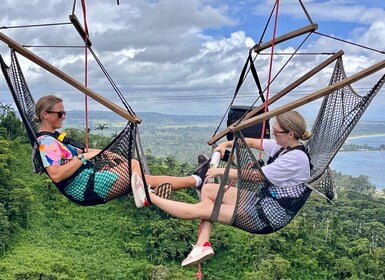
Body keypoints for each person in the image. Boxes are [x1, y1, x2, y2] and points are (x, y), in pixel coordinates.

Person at [131, 110, 312, 267]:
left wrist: (221, 171)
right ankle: (203, 244)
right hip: (263, 200)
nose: (274, 135)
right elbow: (254, 143)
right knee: (209, 191)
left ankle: (148, 197)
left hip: (268, 215)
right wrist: (226, 144)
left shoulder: (295, 159)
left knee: (203, 210)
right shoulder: (284, 147)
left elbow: (257, 176)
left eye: (277, 132)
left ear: (290, 133)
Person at [34, 95, 207, 205]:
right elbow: (56, 175)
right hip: (85, 188)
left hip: (87, 181)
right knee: (133, 166)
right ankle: (149, 194)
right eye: (59, 114)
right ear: (45, 115)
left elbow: (79, 151)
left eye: (64, 113)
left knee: (143, 178)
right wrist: (84, 158)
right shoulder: (46, 143)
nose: (63, 117)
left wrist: (105, 152)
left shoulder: (54, 138)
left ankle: (196, 180)